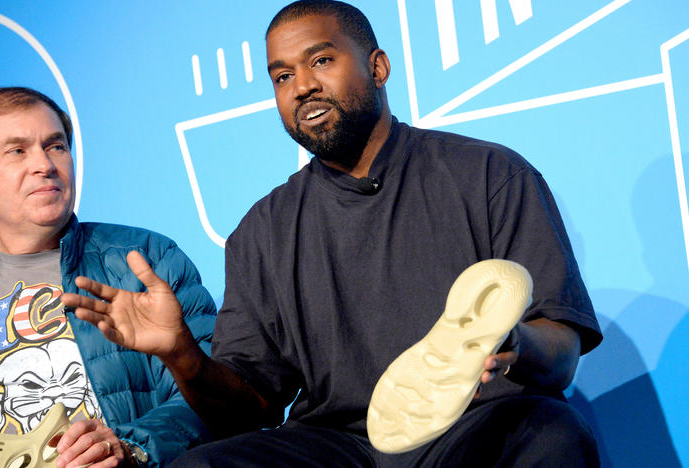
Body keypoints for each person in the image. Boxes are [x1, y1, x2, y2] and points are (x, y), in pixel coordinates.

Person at [63, 1, 603, 466]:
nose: (302, 86)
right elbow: (249, 409)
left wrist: (510, 339)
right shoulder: (261, 232)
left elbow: (560, 350)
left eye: (321, 60)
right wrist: (181, 352)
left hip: (475, 427)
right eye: (282, 76)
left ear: (379, 66)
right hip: (339, 448)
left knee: (551, 434)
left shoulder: (489, 175)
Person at [0, 87, 217, 468]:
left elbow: (213, 397)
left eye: (56, 146)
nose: (44, 164)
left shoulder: (144, 258)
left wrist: (131, 448)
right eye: (17, 151)